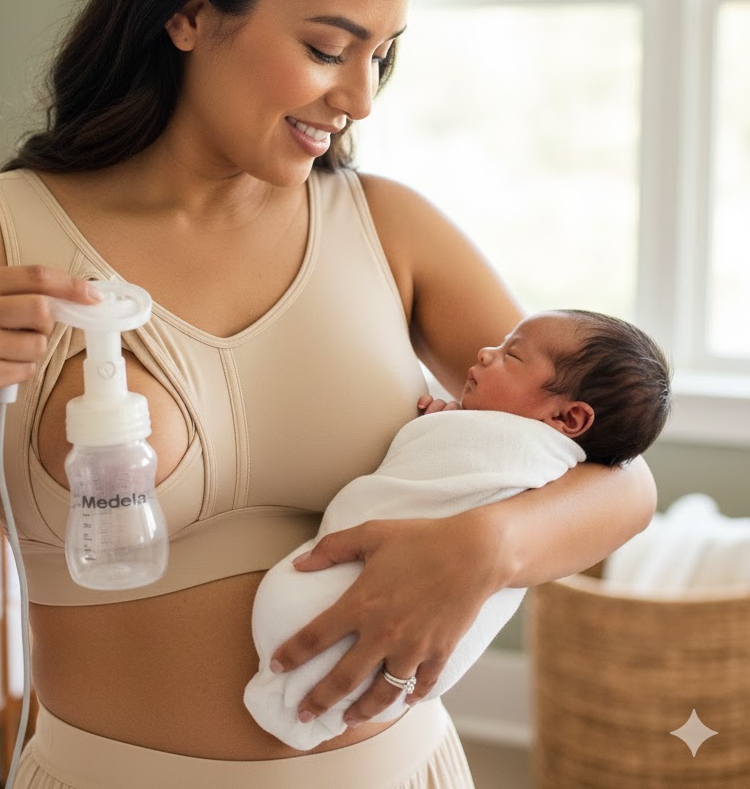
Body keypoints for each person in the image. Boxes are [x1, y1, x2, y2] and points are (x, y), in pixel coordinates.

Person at [0, 0, 658, 789]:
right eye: (326, 45)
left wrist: (486, 544)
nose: (360, 97)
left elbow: (622, 480)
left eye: (380, 54)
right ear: (188, 7)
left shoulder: (388, 227)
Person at [245, 309, 672, 749]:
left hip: (380, 690)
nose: (487, 352)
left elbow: (631, 489)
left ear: (568, 420)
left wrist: (448, 438)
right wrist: (451, 424)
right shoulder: (501, 433)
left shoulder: (539, 459)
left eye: (513, 355)